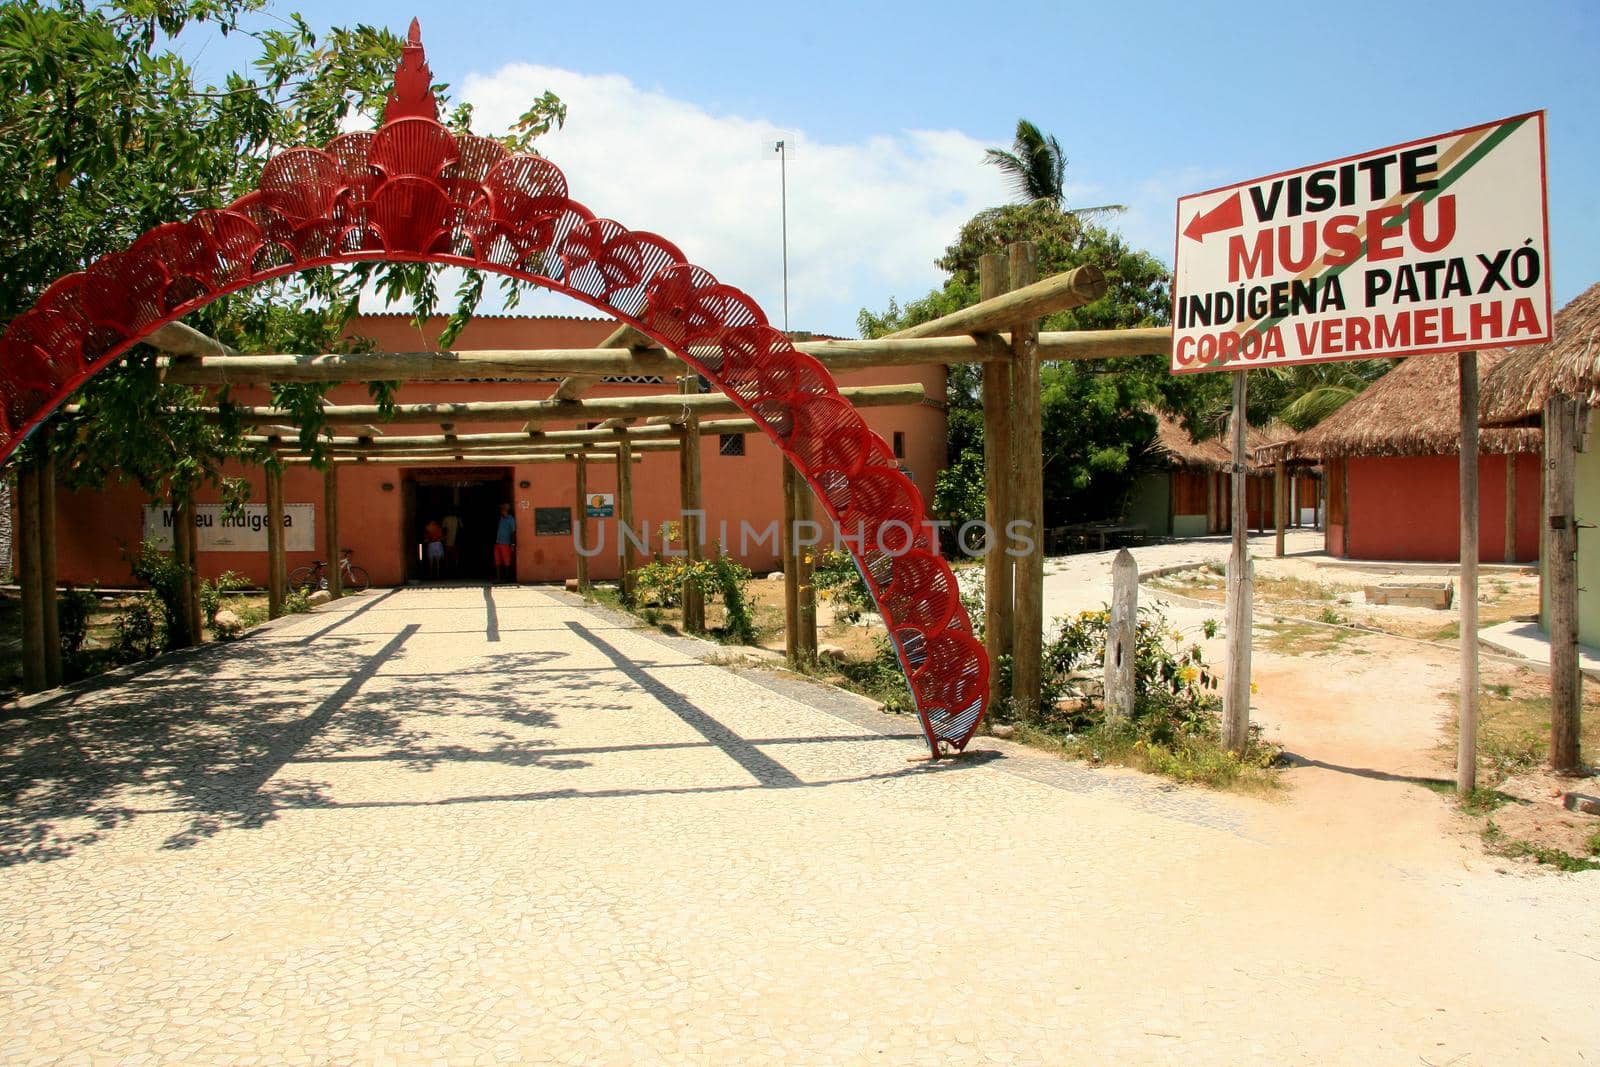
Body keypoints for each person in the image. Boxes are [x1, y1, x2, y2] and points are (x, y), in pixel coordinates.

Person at [493, 502, 517, 583]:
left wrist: (512, 544)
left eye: (503, 509)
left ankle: (507, 578)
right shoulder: (501, 518)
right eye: (502, 509)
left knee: (507, 561)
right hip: (498, 542)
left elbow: (513, 532)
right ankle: (498, 578)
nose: (502, 511)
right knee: (497, 561)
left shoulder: (511, 519)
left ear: (507, 510)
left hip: (506, 543)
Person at [441, 511, 462, 576]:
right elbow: (461, 527)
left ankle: (447, 569)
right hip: (456, 540)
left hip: (448, 539)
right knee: (455, 556)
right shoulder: (457, 519)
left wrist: (443, 538)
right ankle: (456, 568)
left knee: (447, 555)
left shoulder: (446, 519)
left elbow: (443, 529)